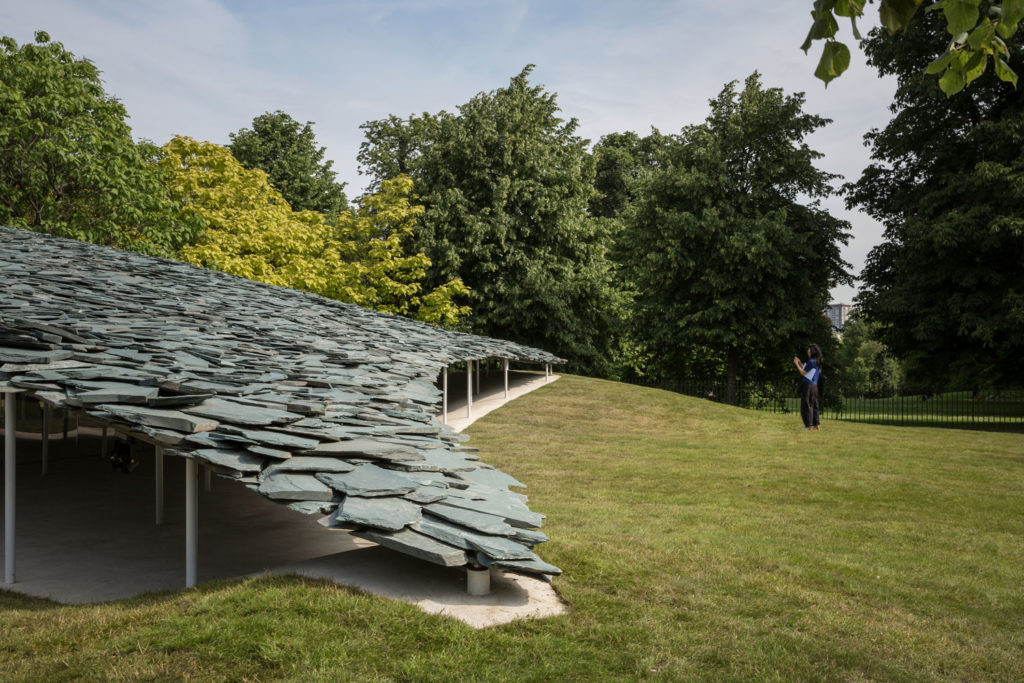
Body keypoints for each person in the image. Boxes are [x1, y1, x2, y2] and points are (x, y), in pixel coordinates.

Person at [793, 344, 822, 430]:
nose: (808, 353)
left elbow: (803, 372)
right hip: (815, 386)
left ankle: (809, 425)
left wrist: (796, 364)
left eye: (809, 351)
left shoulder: (811, 361)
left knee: (806, 405)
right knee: (814, 405)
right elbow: (807, 369)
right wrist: (799, 362)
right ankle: (816, 425)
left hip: (808, 386)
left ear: (812, 352)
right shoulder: (818, 362)